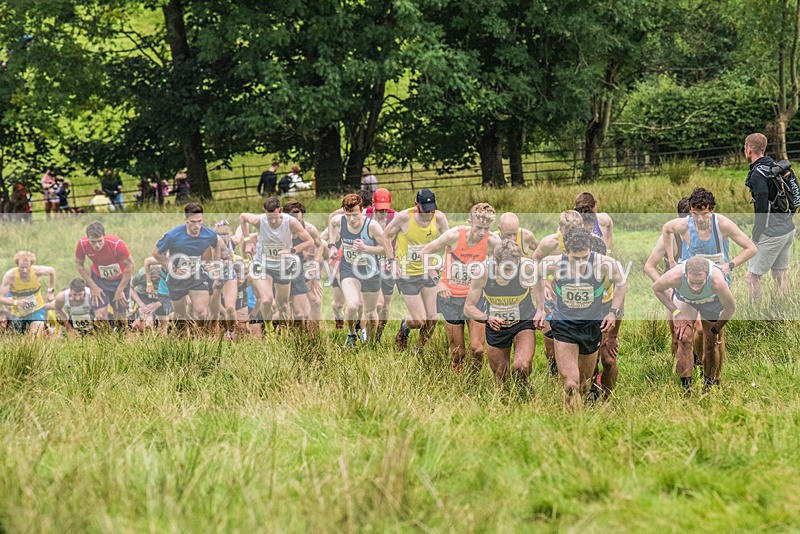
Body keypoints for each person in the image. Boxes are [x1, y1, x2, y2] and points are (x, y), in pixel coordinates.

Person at [535, 227, 627, 411]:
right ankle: (573, 427)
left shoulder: (604, 264)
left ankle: (578, 418)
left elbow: (621, 281)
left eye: (585, 257)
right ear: (565, 252)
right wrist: (540, 309)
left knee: (584, 386)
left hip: (591, 326)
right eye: (575, 258)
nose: (580, 263)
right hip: (564, 326)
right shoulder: (552, 263)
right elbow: (537, 276)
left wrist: (613, 311)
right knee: (571, 385)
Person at [422, 203, 500, 372]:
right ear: (469, 222)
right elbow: (425, 252)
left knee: (477, 349)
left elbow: (508, 262)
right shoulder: (453, 236)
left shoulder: (493, 241)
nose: (481, 232)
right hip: (450, 297)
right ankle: (458, 377)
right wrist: (438, 282)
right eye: (478, 227)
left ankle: (472, 381)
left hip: (475, 297)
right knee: (458, 352)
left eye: (486, 228)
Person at [653, 257, 736, 395]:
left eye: (700, 283)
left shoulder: (717, 282)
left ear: (707, 277)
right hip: (685, 300)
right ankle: (686, 390)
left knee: (710, 345)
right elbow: (656, 288)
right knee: (684, 339)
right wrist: (676, 313)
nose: (696, 288)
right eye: (692, 283)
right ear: (685, 276)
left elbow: (731, 307)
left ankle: (708, 388)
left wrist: (716, 329)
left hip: (711, 301)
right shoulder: (675, 276)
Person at [382, 188, 449, 351]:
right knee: (419, 321)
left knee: (433, 319)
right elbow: (386, 235)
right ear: (416, 205)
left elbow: (449, 241)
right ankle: (404, 327)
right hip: (407, 274)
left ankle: (417, 349)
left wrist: (444, 262)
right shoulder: (404, 217)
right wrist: (392, 261)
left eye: (431, 209)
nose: (428, 214)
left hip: (429, 272)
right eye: (425, 210)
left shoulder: (439, 218)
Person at [464, 241, 537, 385]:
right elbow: (468, 307)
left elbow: (541, 287)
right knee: (501, 377)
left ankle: (524, 388)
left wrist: (542, 309)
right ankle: (505, 403)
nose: (510, 273)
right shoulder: (483, 272)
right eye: (506, 269)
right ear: (495, 261)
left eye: (513, 269)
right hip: (496, 327)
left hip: (522, 323)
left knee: (522, 367)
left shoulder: (527, 268)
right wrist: (486, 318)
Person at [239, 197, 314, 331]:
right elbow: (242, 217)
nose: (273, 221)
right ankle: (268, 328)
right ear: (265, 212)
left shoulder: (290, 222)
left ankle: (283, 331)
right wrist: (248, 241)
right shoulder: (259, 220)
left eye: (276, 217)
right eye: (270, 218)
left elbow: (309, 241)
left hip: (283, 266)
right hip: (263, 265)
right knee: (267, 300)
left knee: (283, 305)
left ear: (280, 211)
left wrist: (291, 250)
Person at [153, 203, 231, 327]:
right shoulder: (173, 235)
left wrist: (216, 266)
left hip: (196, 276)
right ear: (186, 221)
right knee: (180, 317)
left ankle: (199, 339)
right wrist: (172, 268)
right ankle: (177, 334)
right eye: (193, 222)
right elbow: (156, 253)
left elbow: (216, 244)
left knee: (201, 313)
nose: (197, 225)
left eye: (200, 221)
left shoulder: (208, 233)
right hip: (177, 278)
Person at [743, 133, 797, 302]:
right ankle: (784, 308)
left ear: (749, 149)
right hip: (788, 229)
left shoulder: (758, 174)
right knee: (780, 275)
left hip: (771, 233)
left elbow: (762, 209)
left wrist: (756, 237)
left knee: (752, 278)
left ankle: (755, 315)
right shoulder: (777, 168)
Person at [327, 193, 385, 345]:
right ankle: (352, 334)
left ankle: (371, 344)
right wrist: (332, 246)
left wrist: (366, 248)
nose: (351, 219)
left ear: (362, 210)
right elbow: (332, 223)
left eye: (355, 215)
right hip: (349, 268)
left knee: (371, 312)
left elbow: (385, 249)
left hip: (370, 271)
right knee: (353, 304)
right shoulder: (339, 221)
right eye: (348, 215)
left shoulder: (372, 226)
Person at [661, 187, 756, 279]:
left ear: (711, 210)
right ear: (691, 210)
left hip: (718, 280)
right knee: (658, 287)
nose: (700, 219)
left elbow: (751, 249)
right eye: (695, 214)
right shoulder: (684, 224)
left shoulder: (723, 224)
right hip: (692, 281)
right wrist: (671, 261)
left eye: (704, 214)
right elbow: (666, 228)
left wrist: (729, 265)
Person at [75, 221, 135, 324]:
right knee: (100, 316)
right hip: (99, 279)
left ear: (104, 236)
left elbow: (130, 265)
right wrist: (93, 286)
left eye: (99, 241)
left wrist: (120, 289)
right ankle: (105, 338)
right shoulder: (82, 245)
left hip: (120, 280)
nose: (97, 245)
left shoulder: (116, 244)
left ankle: (121, 337)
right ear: (88, 238)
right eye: (93, 242)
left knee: (120, 317)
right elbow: (79, 265)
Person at [284, 201, 324, 337]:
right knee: (292, 306)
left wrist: (316, 271)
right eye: (293, 220)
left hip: (306, 267)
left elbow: (320, 245)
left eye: (299, 220)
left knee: (316, 300)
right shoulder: (281, 231)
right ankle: (294, 334)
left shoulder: (310, 229)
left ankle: (313, 335)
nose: (296, 223)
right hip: (287, 270)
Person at [0, 251, 56, 335]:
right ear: (17, 265)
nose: (25, 270)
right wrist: (17, 302)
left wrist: (50, 291)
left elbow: (52, 271)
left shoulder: (37, 271)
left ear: (31, 265)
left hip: (37, 309)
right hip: (18, 313)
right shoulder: (10, 276)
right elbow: (1, 298)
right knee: (19, 340)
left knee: (35, 336)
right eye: (22, 267)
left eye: (27, 267)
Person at [366, 188, 396, 342]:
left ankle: (378, 336)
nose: (383, 212)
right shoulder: (366, 213)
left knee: (385, 305)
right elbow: (337, 215)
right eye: (380, 209)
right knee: (377, 304)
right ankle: (367, 336)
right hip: (371, 262)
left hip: (389, 263)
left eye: (386, 209)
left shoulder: (396, 217)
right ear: (373, 204)